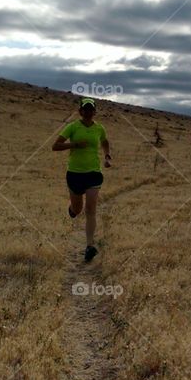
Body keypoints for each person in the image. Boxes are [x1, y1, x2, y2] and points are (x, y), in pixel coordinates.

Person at [52, 97, 112, 262]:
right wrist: (75, 145)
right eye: (85, 109)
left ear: (94, 112)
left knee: (91, 210)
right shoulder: (72, 127)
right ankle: (72, 209)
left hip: (93, 173)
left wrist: (107, 156)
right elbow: (55, 146)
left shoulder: (99, 128)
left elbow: (105, 142)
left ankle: (89, 246)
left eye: (90, 109)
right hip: (75, 173)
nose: (88, 112)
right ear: (80, 111)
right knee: (78, 209)